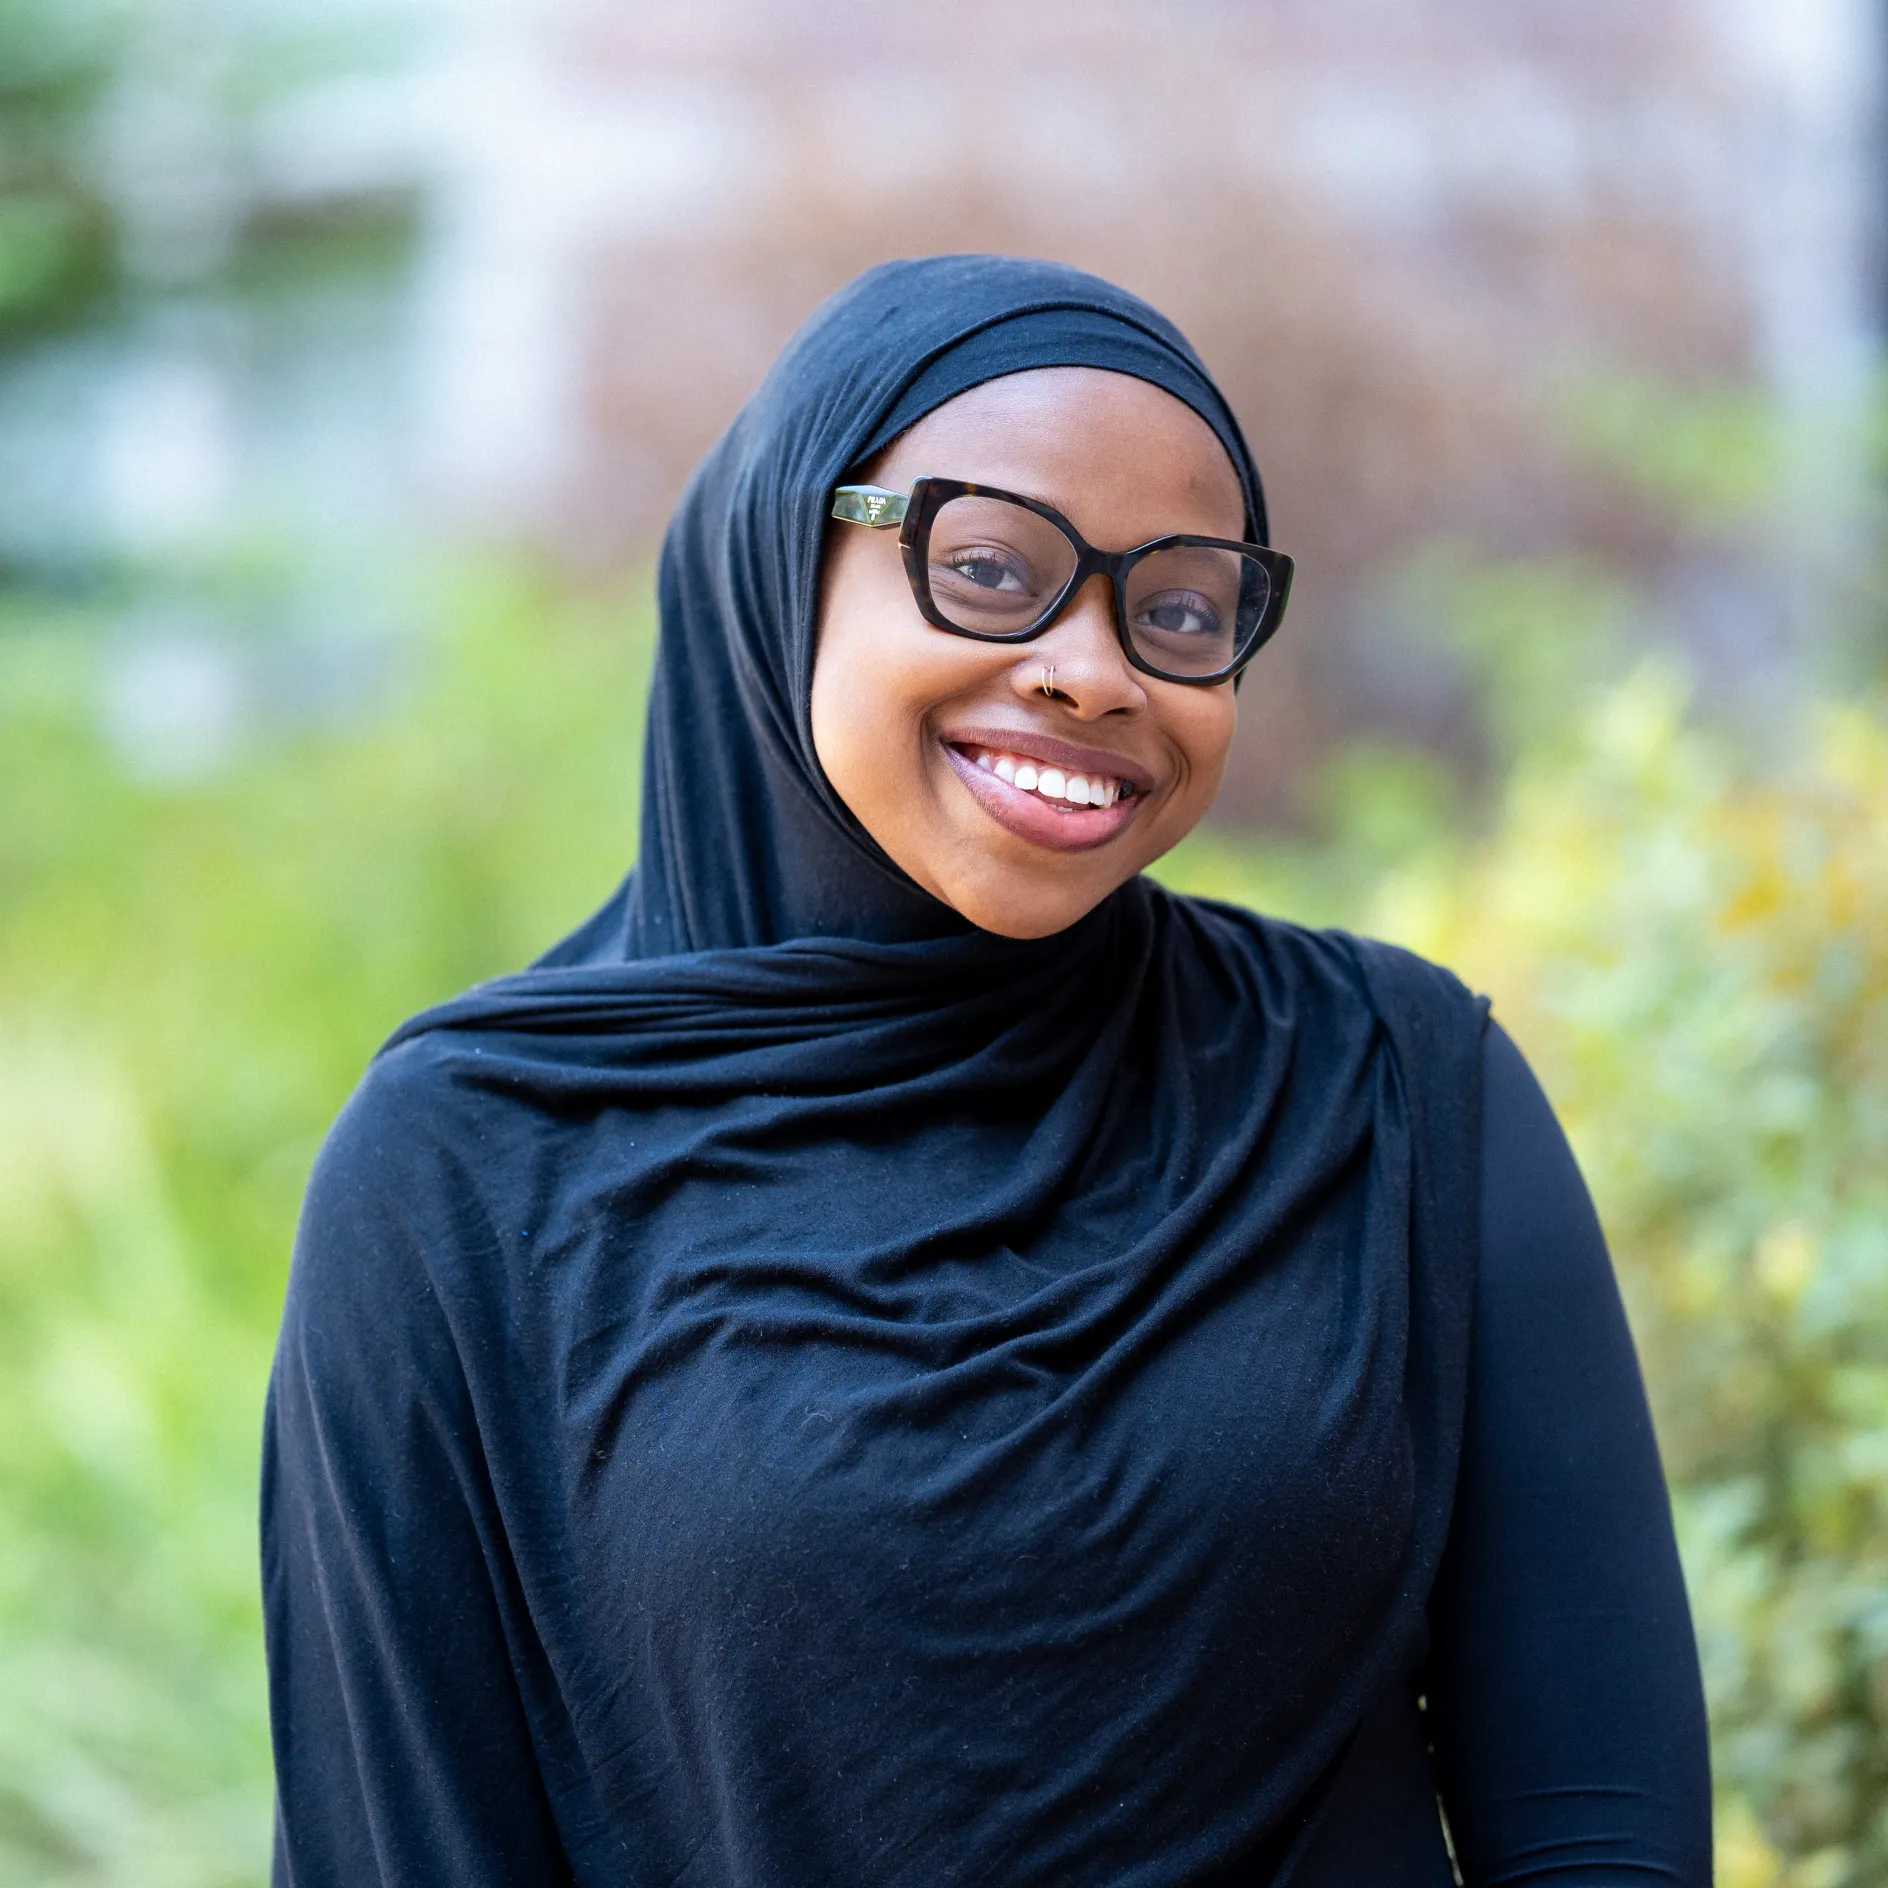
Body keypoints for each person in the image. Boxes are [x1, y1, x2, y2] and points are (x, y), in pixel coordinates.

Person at [262, 255, 1712, 1886]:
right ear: (785, 562)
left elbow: (1598, 1830)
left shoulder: (1395, 1094)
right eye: (990, 567)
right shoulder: (468, 1166)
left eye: (1177, 608)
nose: (1094, 670)